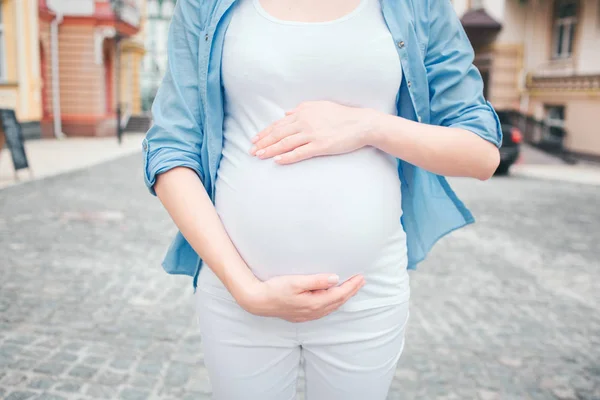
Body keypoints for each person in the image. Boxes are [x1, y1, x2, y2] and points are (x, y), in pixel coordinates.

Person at [142, 0, 501, 398]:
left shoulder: (419, 5)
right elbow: (171, 149)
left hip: (366, 296)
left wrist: (367, 125)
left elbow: (481, 152)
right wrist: (244, 288)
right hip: (237, 297)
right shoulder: (203, 5)